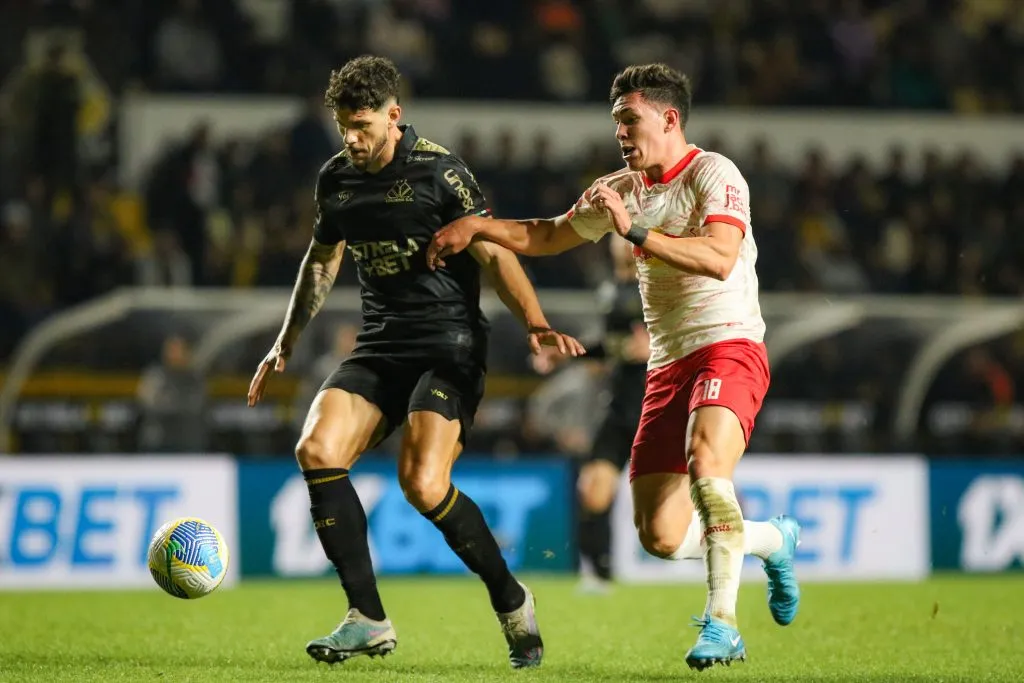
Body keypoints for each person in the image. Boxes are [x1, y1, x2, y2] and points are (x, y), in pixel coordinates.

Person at [426, 62, 801, 670]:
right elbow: (549, 236)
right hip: (666, 366)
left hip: (728, 345)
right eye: (615, 121)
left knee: (708, 464)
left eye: (630, 119)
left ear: (670, 118)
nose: (620, 132)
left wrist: (636, 231)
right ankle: (773, 539)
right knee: (660, 536)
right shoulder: (619, 188)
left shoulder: (714, 173)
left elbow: (719, 257)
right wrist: (477, 226)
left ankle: (723, 623)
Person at [248, 55, 584, 669]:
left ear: (393, 116)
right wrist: (285, 340)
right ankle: (367, 618)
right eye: (344, 126)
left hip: (449, 344)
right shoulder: (336, 179)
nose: (352, 139)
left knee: (423, 484)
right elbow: (321, 262)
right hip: (381, 344)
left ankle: (511, 600)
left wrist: (534, 321)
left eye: (362, 126)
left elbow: (495, 251)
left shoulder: (441, 172)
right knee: (316, 450)